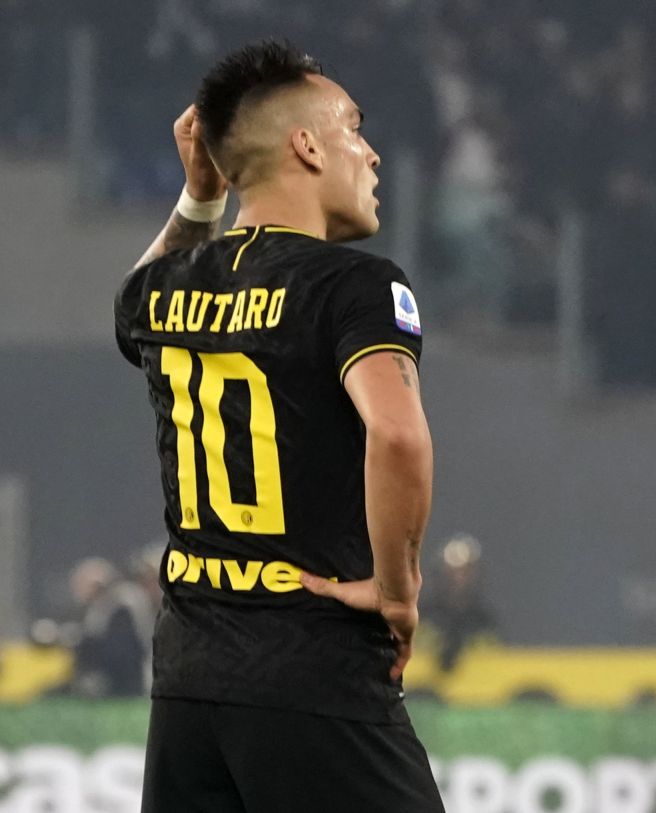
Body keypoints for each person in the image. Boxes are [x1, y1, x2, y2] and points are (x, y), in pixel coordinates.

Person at [114, 41, 443, 812]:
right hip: (312, 663)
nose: (371, 153)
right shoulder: (356, 286)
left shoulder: (166, 289)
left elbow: (133, 308)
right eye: (353, 128)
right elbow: (398, 435)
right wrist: (397, 591)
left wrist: (200, 198)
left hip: (189, 680)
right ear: (306, 145)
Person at [67, 557, 152, 698]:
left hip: (124, 684)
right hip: (114, 679)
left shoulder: (121, 609)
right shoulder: (96, 609)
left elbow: (122, 653)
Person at [422, 534, 499, 672]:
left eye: (465, 571)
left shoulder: (485, 622)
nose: (457, 578)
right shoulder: (422, 618)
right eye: (451, 571)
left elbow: (496, 658)